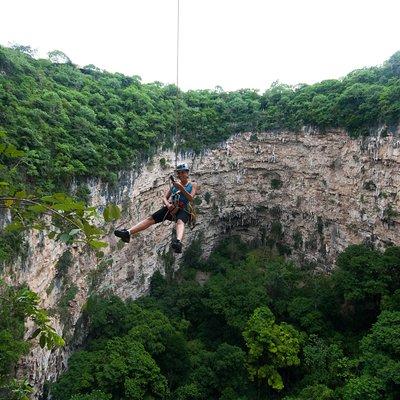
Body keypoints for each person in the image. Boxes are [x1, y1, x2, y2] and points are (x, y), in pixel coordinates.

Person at [114, 163, 197, 253]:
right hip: (171, 207)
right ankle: (127, 232)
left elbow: (191, 198)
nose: (180, 175)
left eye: (182, 172)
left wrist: (181, 188)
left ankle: (178, 242)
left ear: (187, 173)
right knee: (151, 219)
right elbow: (165, 197)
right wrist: (168, 205)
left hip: (183, 208)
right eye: (179, 173)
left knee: (180, 222)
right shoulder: (174, 185)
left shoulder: (192, 185)